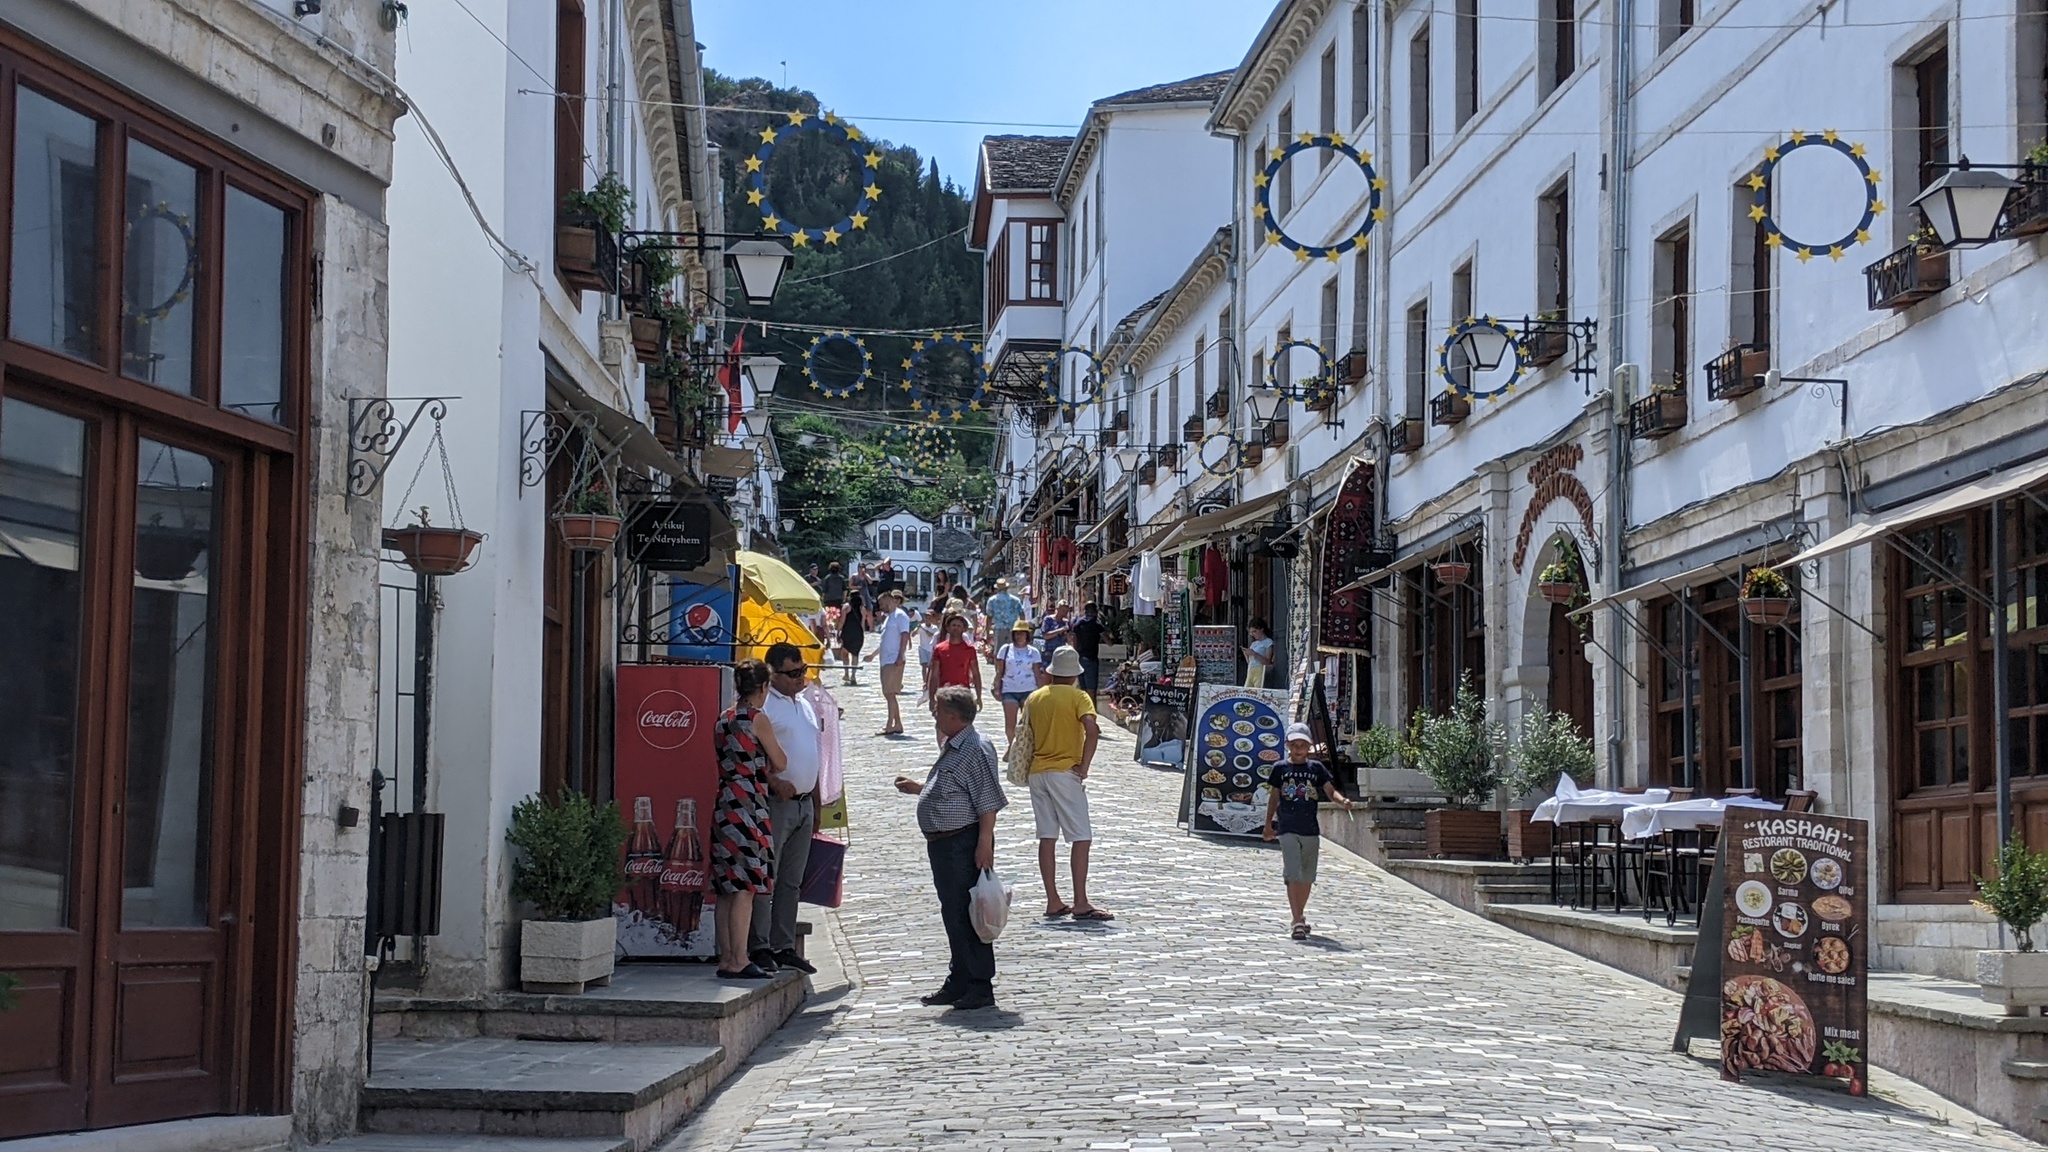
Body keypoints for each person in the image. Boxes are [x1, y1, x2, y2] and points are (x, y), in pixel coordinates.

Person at [893, 685, 1006, 1010]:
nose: (934, 714)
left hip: (962, 842)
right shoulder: (956, 745)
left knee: (970, 913)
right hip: (945, 844)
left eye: (939, 710)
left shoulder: (974, 748)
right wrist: (922, 789)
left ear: (955, 716)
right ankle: (959, 979)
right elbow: (955, 788)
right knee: (953, 914)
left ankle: (979, 984)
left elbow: (987, 801)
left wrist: (984, 843)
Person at [1021, 646, 1111, 920]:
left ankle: (1053, 900)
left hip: (1037, 772)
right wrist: (1084, 766)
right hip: (1064, 772)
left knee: (1047, 837)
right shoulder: (1079, 697)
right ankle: (1080, 901)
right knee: (1081, 837)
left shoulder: (1035, 698)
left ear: (1051, 672)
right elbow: (1092, 729)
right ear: (1075, 675)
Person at [750, 643, 821, 975]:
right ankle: (760, 945)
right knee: (767, 876)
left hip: (804, 803)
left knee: (791, 880)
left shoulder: (805, 705)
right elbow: (748, 754)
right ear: (773, 675)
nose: (800, 678)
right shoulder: (767, 709)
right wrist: (774, 782)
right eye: (793, 673)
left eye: (802, 671)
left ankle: (783, 944)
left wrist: (817, 803)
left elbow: (813, 753)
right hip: (777, 803)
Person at [711, 659, 780, 979]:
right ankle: (739, 957)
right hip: (749, 803)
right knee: (746, 886)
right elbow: (780, 760)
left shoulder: (723, 718)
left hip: (725, 801)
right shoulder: (756, 718)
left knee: (726, 885)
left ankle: (726, 957)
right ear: (763, 687)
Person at [1262, 723, 1357, 940]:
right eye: (1294, 745)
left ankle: (1300, 915)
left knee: (1306, 876)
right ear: (1287, 745)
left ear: (1309, 747)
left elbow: (1330, 791)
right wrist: (1268, 824)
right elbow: (1274, 797)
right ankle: (1296, 920)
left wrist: (1343, 801)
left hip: (1310, 830)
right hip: (1287, 828)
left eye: (1302, 745)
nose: (1298, 749)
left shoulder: (1316, 769)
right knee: (1293, 872)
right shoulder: (1280, 769)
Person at [992, 620, 1045, 741]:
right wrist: (997, 688)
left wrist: (1042, 692)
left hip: (1029, 690)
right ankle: (1011, 746)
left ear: (1027, 635)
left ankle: (1025, 746)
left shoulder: (1034, 652)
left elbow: (1037, 673)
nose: (1019, 636)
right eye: (1017, 633)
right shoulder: (1005, 650)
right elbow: (999, 671)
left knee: (1028, 723)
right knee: (1010, 723)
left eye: (1022, 633)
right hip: (1009, 689)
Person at [872, 590, 913, 736]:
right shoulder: (889, 618)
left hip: (894, 659)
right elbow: (885, 640)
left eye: (882, 603)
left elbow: (904, 635)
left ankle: (890, 725)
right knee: (888, 693)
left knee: (889, 693)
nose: (881, 606)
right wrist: (873, 655)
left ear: (890, 601)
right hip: (886, 659)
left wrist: (901, 656)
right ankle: (898, 724)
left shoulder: (900, 616)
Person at [926, 612, 984, 716]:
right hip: (944, 691)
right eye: (953, 625)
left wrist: (979, 696)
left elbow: (976, 674)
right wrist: (931, 698)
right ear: (947, 628)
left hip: (963, 692)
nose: (956, 628)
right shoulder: (939, 649)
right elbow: (934, 674)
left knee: (964, 723)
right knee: (942, 725)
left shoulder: (969, 649)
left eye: (959, 626)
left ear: (964, 629)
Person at [1070, 601, 1106, 696]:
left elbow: (1074, 640)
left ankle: (1083, 709)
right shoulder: (1097, 625)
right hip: (1091, 659)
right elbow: (1109, 642)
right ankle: (1091, 709)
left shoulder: (1077, 624)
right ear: (1095, 612)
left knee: (1083, 689)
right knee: (1091, 690)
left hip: (1080, 658)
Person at [838, 588, 868, 686]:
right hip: (858, 633)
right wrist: (862, 634)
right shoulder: (862, 608)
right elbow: (863, 623)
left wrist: (838, 630)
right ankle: (853, 675)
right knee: (855, 654)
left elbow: (842, 620)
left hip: (847, 632)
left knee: (844, 653)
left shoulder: (847, 607)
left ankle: (846, 673)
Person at [984, 578, 1024, 650]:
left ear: (997, 589)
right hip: (1013, 629)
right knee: (1013, 651)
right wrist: (1022, 628)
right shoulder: (1015, 600)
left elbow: (989, 617)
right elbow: (1022, 614)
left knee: (999, 652)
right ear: (1006, 588)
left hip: (999, 629)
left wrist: (987, 632)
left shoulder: (992, 600)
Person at [1244, 618, 1275, 689]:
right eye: (1251, 632)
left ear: (1261, 629)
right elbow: (1250, 662)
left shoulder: (1268, 642)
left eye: (1255, 631)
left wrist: (1254, 654)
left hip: (1260, 670)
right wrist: (1247, 654)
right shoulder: (1254, 644)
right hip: (1251, 670)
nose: (1253, 634)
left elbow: (1267, 661)